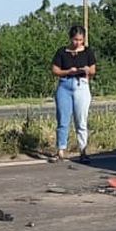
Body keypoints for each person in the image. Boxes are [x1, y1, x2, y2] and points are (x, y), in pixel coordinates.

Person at [51, 24, 97, 163]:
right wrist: (68, 71)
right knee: (63, 119)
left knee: (81, 120)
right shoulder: (62, 52)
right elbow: (55, 70)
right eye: (75, 40)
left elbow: (94, 70)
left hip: (81, 85)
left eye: (80, 40)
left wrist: (87, 70)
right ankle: (60, 150)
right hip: (65, 84)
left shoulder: (88, 52)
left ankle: (83, 150)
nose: (78, 43)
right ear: (70, 38)